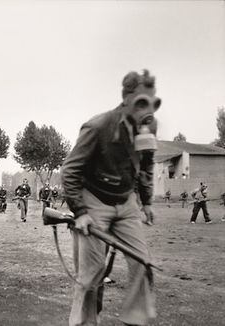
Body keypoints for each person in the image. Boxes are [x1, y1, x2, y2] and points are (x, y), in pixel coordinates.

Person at [61, 69, 159, 326]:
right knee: (92, 274)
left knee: (142, 261)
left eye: (153, 103)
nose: (148, 110)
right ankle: (85, 323)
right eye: (141, 102)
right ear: (126, 99)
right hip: (94, 201)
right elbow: (70, 170)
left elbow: (147, 164)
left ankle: (136, 320)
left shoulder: (148, 127)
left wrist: (146, 201)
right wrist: (80, 213)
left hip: (126, 203)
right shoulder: (98, 126)